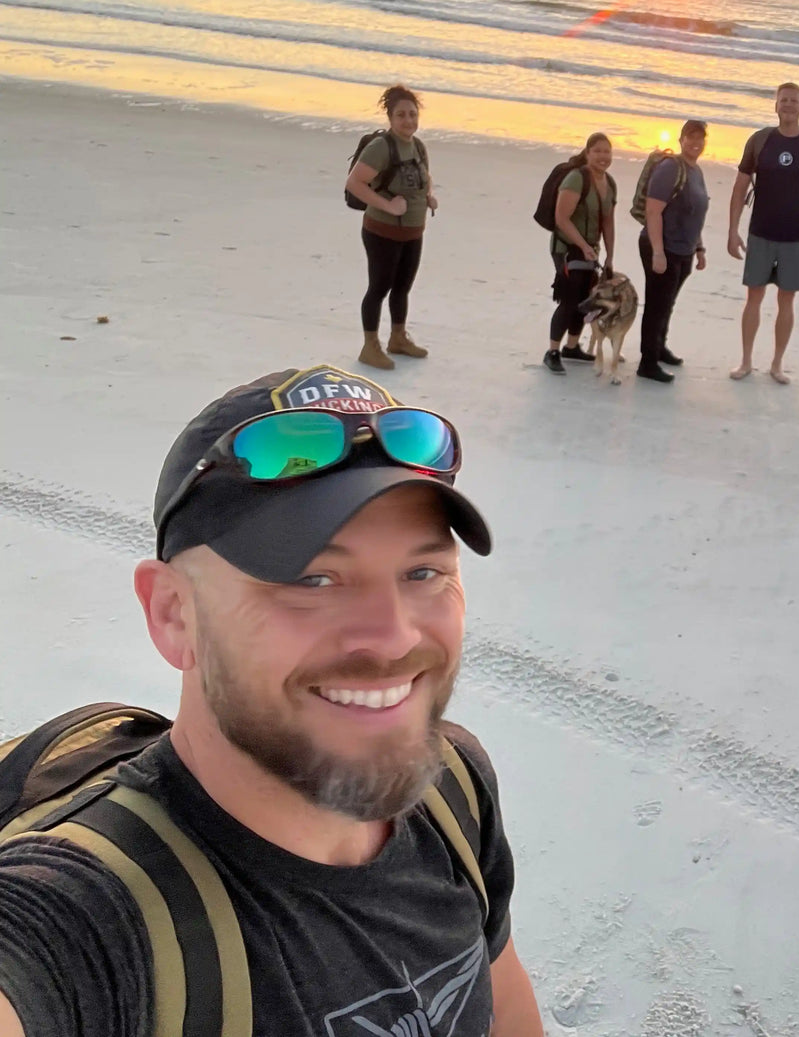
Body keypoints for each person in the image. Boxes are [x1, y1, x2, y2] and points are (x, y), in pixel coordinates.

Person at [0, 365, 544, 1037]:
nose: (394, 635)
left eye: (424, 572)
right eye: (313, 578)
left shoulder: (452, 787)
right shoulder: (93, 921)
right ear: (174, 613)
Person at [727, 83, 799, 383]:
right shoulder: (760, 140)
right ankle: (746, 361)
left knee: (787, 301)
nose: (788, 105)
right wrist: (732, 231)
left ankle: (776, 364)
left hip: (797, 237)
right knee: (754, 298)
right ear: (775, 106)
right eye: (783, 100)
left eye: (794, 101)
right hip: (760, 233)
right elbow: (739, 188)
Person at [345, 85, 436, 371]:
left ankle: (398, 337)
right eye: (401, 115)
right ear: (390, 117)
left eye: (412, 114)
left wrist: (428, 195)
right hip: (381, 230)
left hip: (413, 231)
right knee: (379, 287)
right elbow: (355, 183)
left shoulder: (418, 145)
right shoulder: (381, 147)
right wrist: (388, 206)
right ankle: (369, 346)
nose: (408, 120)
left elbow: (425, 177)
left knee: (402, 288)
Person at [638, 120, 711, 384]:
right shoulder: (670, 168)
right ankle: (647, 362)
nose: (695, 142)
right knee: (657, 304)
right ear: (681, 140)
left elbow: (695, 215)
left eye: (700, 138)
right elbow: (653, 211)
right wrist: (658, 252)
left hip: (685, 249)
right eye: (690, 137)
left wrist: (700, 248)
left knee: (668, 302)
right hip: (661, 247)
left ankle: (659, 348)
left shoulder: (697, 171)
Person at [545, 133, 617, 376]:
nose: (602, 156)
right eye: (597, 151)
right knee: (569, 298)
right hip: (567, 247)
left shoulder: (610, 183)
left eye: (607, 152)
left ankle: (572, 347)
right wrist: (583, 246)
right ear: (587, 153)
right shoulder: (576, 179)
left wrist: (609, 255)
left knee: (586, 299)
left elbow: (608, 221)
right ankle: (553, 351)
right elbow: (561, 218)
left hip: (590, 250)